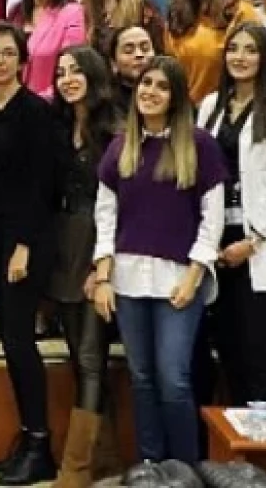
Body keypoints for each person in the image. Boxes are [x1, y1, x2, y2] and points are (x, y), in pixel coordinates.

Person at [92, 56, 228, 464]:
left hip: (178, 281)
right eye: (145, 84)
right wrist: (103, 277)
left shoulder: (199, 145)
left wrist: (194, 276)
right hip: (128, 280)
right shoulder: (121, 147)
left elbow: (213, 219)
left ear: (177, 97)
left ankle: (185, 469)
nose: (150, 92)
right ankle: (150, 467)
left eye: (162, 86)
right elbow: (105, 216)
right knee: (142, 378)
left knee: (174, 378)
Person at [197, 24, 266, 405]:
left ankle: (261, 436)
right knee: (227, 351)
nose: (240, 57)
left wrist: (253, 240)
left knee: (254, 353)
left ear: (265, 58)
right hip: (217, 240)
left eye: (250, 50)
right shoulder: (211, 106)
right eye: (234, 49)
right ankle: (235, 439)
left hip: (260, 243)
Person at [0, 22, 59, 485]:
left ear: (23, 61)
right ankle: (27, 439)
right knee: (8, 341)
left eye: (9, 53)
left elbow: (41, 183)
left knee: (21, 341)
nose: (0, 60)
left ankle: (41, 444)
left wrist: (23, 245)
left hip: (24, 244)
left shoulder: (35, 112)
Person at [50, 45, 123, 487]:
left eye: (76, 71)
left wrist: (103, 267)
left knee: (93, 356)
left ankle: (75, 469)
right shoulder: (57, 126)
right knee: (78, 356)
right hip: (62, 245)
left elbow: (123, 205)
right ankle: (107, 462)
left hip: (99, 244)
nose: (67, 79)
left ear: (94, 76)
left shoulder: (115, 130)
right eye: (61, 72)